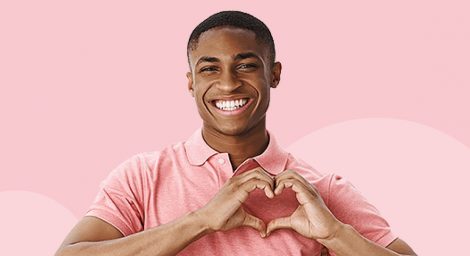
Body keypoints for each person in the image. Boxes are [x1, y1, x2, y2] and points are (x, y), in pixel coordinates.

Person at [55, 11, 416, 256]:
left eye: (245, 66)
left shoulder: (320, 189)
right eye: (210, 69)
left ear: (273, 74)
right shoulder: (143, 176)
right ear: (191, 82)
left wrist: (336, 234)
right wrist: (200, 221)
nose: (228, 84)